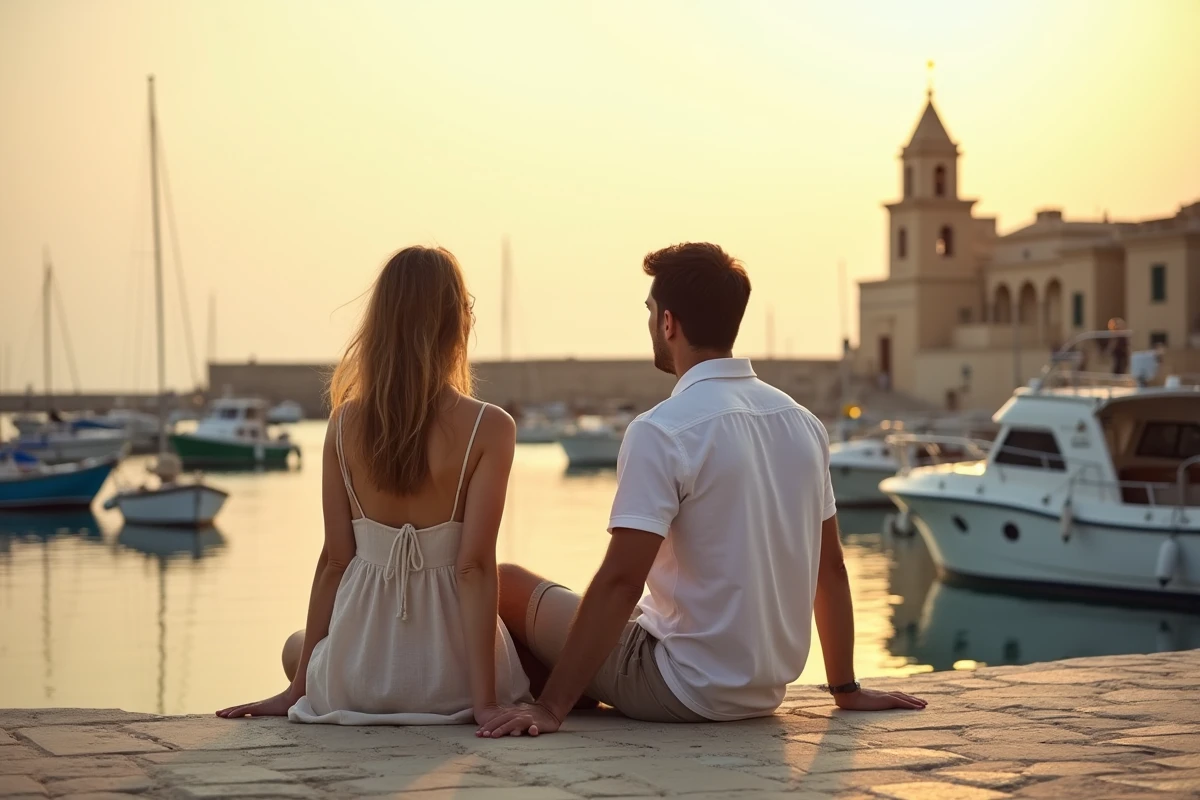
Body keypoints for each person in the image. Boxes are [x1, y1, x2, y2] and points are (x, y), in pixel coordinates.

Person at [479, 243, 926, 738]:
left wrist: (551, 710)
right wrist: (845, 688)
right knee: (622, 611)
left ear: (668, 323)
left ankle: (551, 695)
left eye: (650, 312)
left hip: (680, 686)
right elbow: (831, 568)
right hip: (763, 691)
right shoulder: (802, 424)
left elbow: (622, 581)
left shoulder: (663, 429)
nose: (650, 323)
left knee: (508, 582)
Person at [217, 246, 529, 725]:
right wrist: (484, 704)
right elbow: (474, 568)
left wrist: (295, 692)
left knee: (296, 646)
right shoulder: (491, 427)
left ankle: (312, 676)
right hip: (455, 681)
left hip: (358, 679)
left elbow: (335, 560)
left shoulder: (344, 424)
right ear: (455, 323)